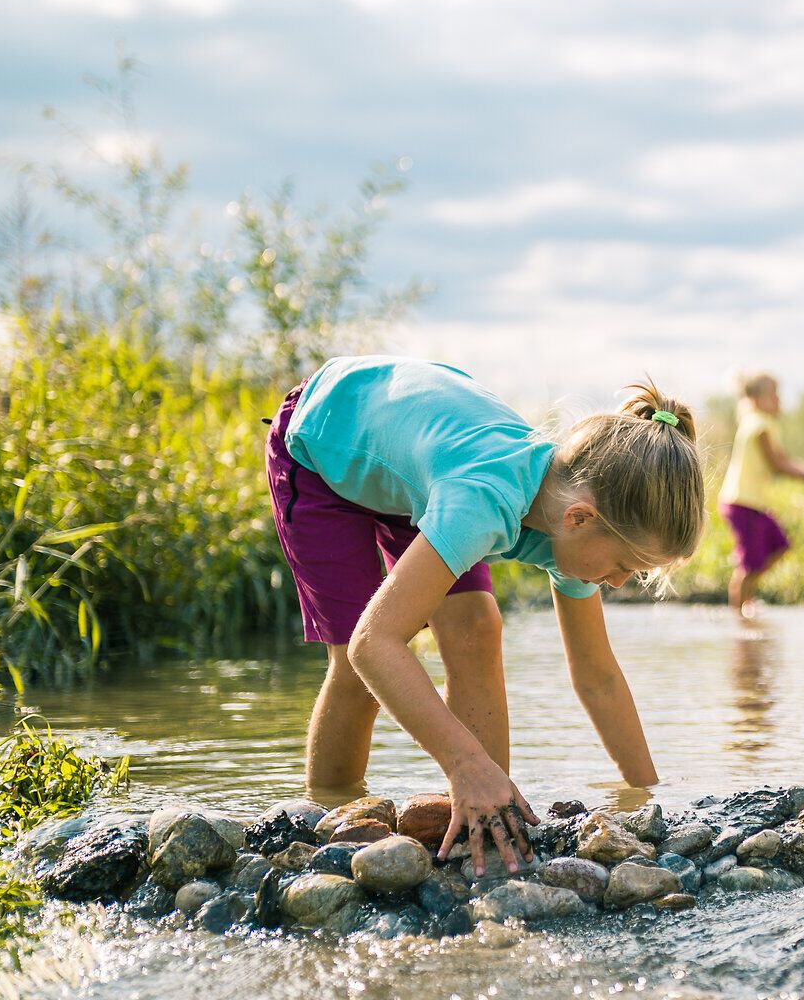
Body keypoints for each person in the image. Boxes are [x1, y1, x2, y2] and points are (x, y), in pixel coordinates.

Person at [264, 355, 703, 875]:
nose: (617, 583)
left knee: (476, 628)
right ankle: (330, 829)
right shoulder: (484, 499)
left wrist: (646, 798)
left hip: (422, 472)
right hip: (325, 446)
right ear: (579, 519)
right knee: (360, 671)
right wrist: (464, 765)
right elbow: (372, 644)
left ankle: (491, 828)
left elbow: (599, 676)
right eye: (624, 565)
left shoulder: (568, 521)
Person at [718, 371, 804, 616]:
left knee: (778, 545)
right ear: (755, 399)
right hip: (742, 501)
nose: (779, 401)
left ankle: (746, 602)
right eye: (773, 395)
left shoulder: (761, 422)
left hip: (753, 503)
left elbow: (781, 460)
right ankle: (738, 614)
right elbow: (778, 464)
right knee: (750, 561)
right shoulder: (758, 424)